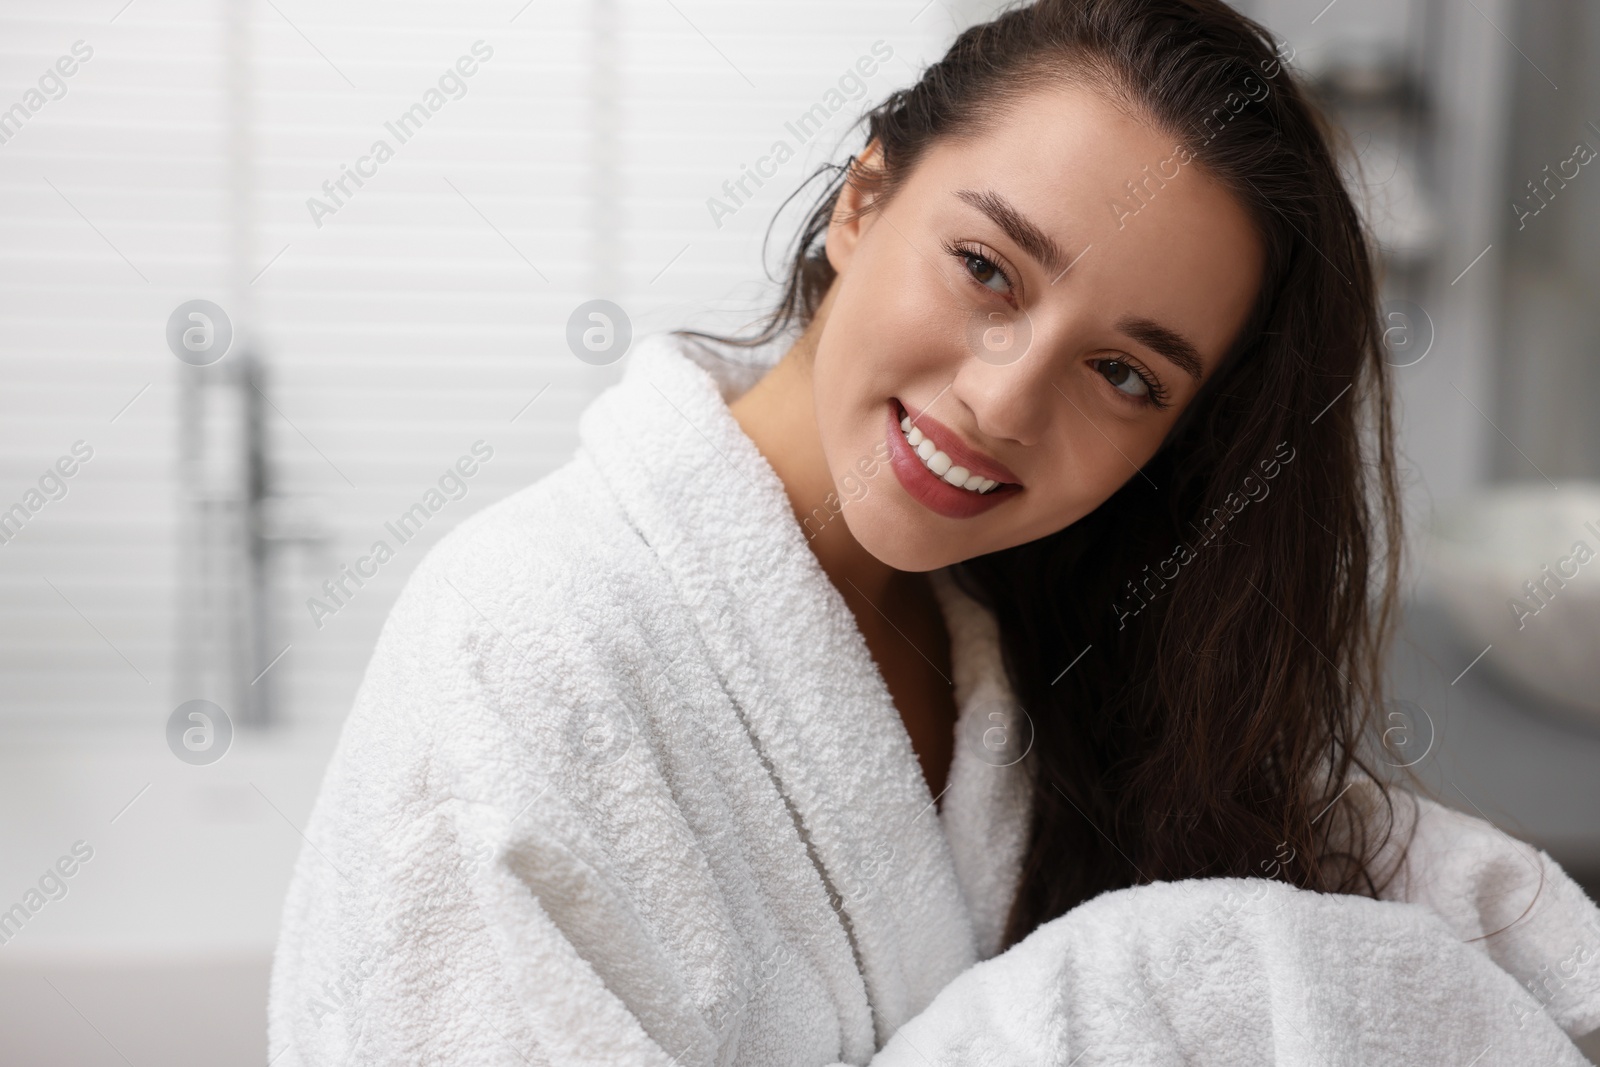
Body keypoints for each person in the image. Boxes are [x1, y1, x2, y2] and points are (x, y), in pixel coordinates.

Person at [268, 1, 1600, 1063]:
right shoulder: (517, 647)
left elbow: (1369, 895)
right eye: (987, 270)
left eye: (1126, 375)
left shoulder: (1042, 650)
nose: (1005, 400)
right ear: (864, 200)